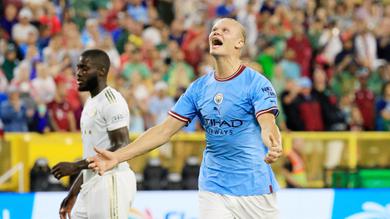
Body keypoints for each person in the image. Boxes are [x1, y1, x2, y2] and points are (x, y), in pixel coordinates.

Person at [88, 18, 282, 219]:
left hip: (255, 188)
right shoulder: (198, 89)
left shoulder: (256, 83)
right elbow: (164, 131)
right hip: (213, 187)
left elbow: (267, 121)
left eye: (225, 30)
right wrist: (117, 156)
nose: (216, 33)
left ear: (239, 43)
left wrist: (271, 137)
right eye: (214, 29)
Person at [51, 49, 136, 219]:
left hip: (111, 181)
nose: (78, 74)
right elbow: (91, 154)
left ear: (101, 71)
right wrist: (73, 193)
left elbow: (121, 145)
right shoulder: (91, 102)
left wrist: (75, 166)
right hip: (91, 182)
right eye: (78, 68)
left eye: (84, 69)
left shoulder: (112, 101)